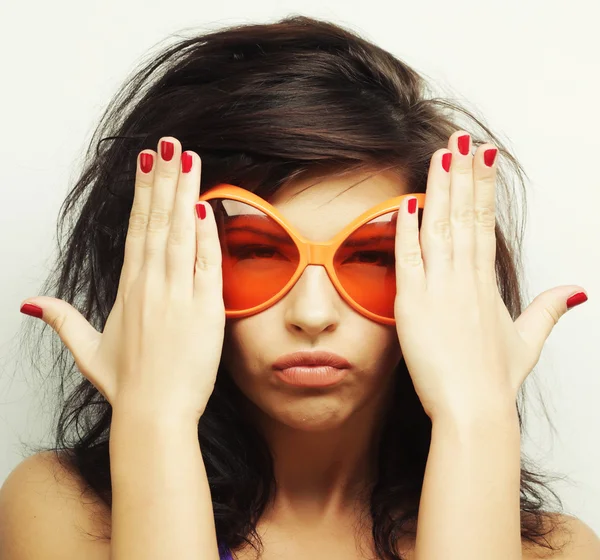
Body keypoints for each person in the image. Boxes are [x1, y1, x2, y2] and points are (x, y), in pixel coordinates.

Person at [0, 14, 598, 560]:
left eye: (372, 256)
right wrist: (155, 420)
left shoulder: (556, 551)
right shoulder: (66, 516)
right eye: (257, 253)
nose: (313, 314)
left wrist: (476, 416)